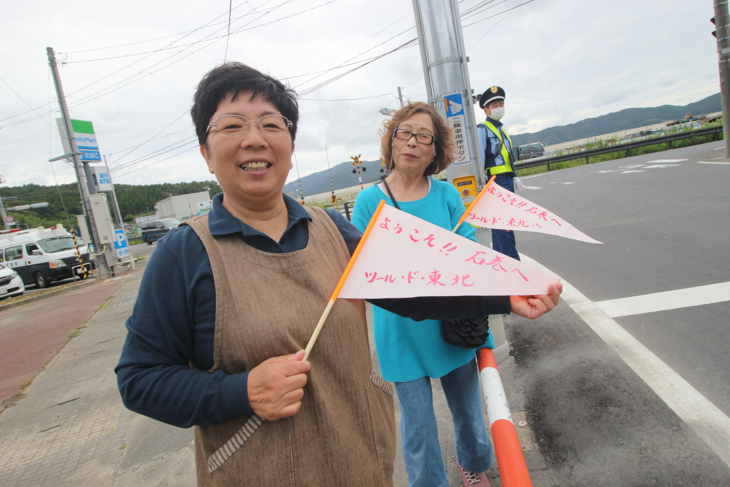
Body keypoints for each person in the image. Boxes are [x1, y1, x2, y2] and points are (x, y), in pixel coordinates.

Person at [116, 63, 562, 487]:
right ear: (205, 153)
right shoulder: (183, 254)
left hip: (362, 463)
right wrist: (240, 391)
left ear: (290, 147)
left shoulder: (332, 229)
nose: (255, 140)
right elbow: (139, 379)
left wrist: (505, 294)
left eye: (271, 125)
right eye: (232, 125)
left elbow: (416, 287)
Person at [352, 102, 554, 487]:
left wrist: (513, 282)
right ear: (392, 141)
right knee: (419, 430)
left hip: (453, 323)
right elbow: (365, 272)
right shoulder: (367, 201)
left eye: (423, 136)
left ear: (435, 151)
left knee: (470, 414)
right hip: (400, 332)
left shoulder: (445, 195)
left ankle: (473, 465)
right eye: (404, 132)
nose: (412, 141)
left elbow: (469, 255)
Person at [478, 86, 522, 261]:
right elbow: (480, 157)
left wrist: (514, 175)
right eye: (494, 105)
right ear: (486, 110)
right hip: (494, 181)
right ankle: (513, 263)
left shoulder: (501, 129)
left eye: (500, 103)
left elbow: (506, 155)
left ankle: (500, 262)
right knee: (504, 225)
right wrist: (482, 183)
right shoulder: (483, 129)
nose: (499, 107)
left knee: (500, 224)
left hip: (506, 179)